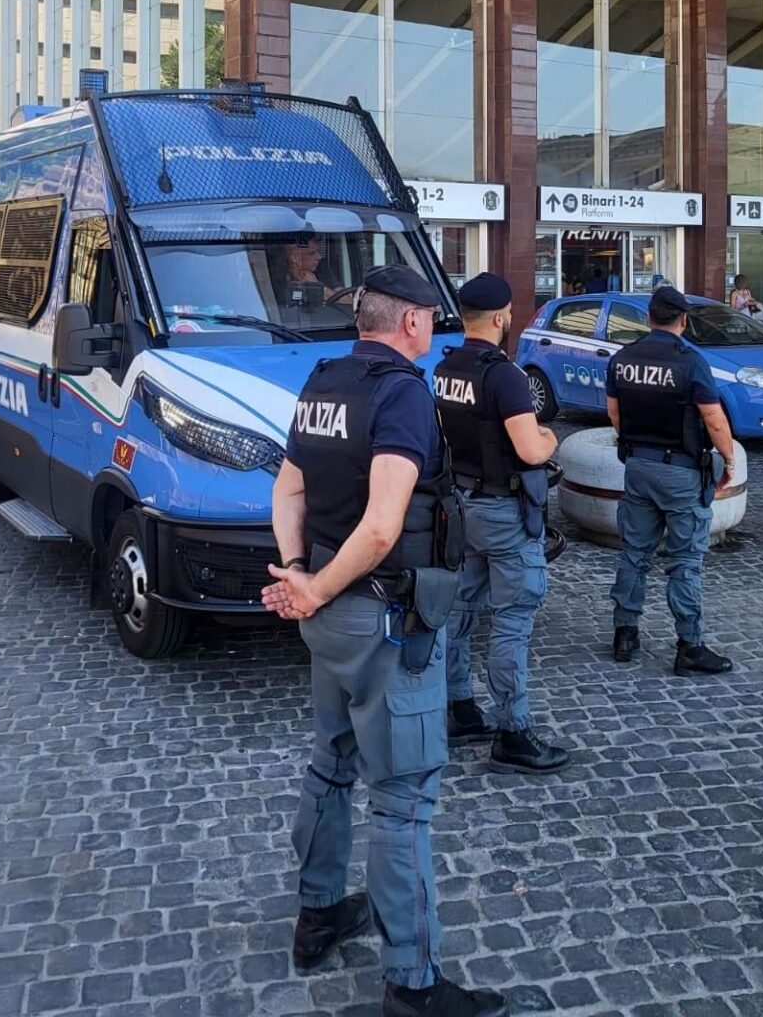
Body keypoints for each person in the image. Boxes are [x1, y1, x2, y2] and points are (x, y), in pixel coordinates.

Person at [262, 264, 506, 1017]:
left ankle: (319, 914)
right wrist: (320, 585)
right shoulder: (400, 393)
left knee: (331, 764)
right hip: (382, 619)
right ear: (408, 323)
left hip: (327, 618)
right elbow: (382, 525)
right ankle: (413, 984)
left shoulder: (324, 382)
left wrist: (302, 577)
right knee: (402, 801)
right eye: (428, 318)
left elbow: (288, 490)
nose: (432, 330)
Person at [434, 272, 568, 775]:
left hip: (463, 504)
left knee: (460, 608)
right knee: (513, 617)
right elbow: (531, 449)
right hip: (503, 512)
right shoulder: (504, 374)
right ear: (498, 317)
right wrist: (551, 438)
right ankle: (513, 732)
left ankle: (459, 707)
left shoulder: (447, 368)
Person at [606, 284, 737, 674]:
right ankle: (689, 646)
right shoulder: (690, 361)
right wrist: (729, 460)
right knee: (684, 562)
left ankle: (625, 634)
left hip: (638, 467)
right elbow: (713, 419)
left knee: (634, 553)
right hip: (681, 470)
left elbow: (614, 413)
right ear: (683, 320)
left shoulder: (623, 358)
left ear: (648, 318)